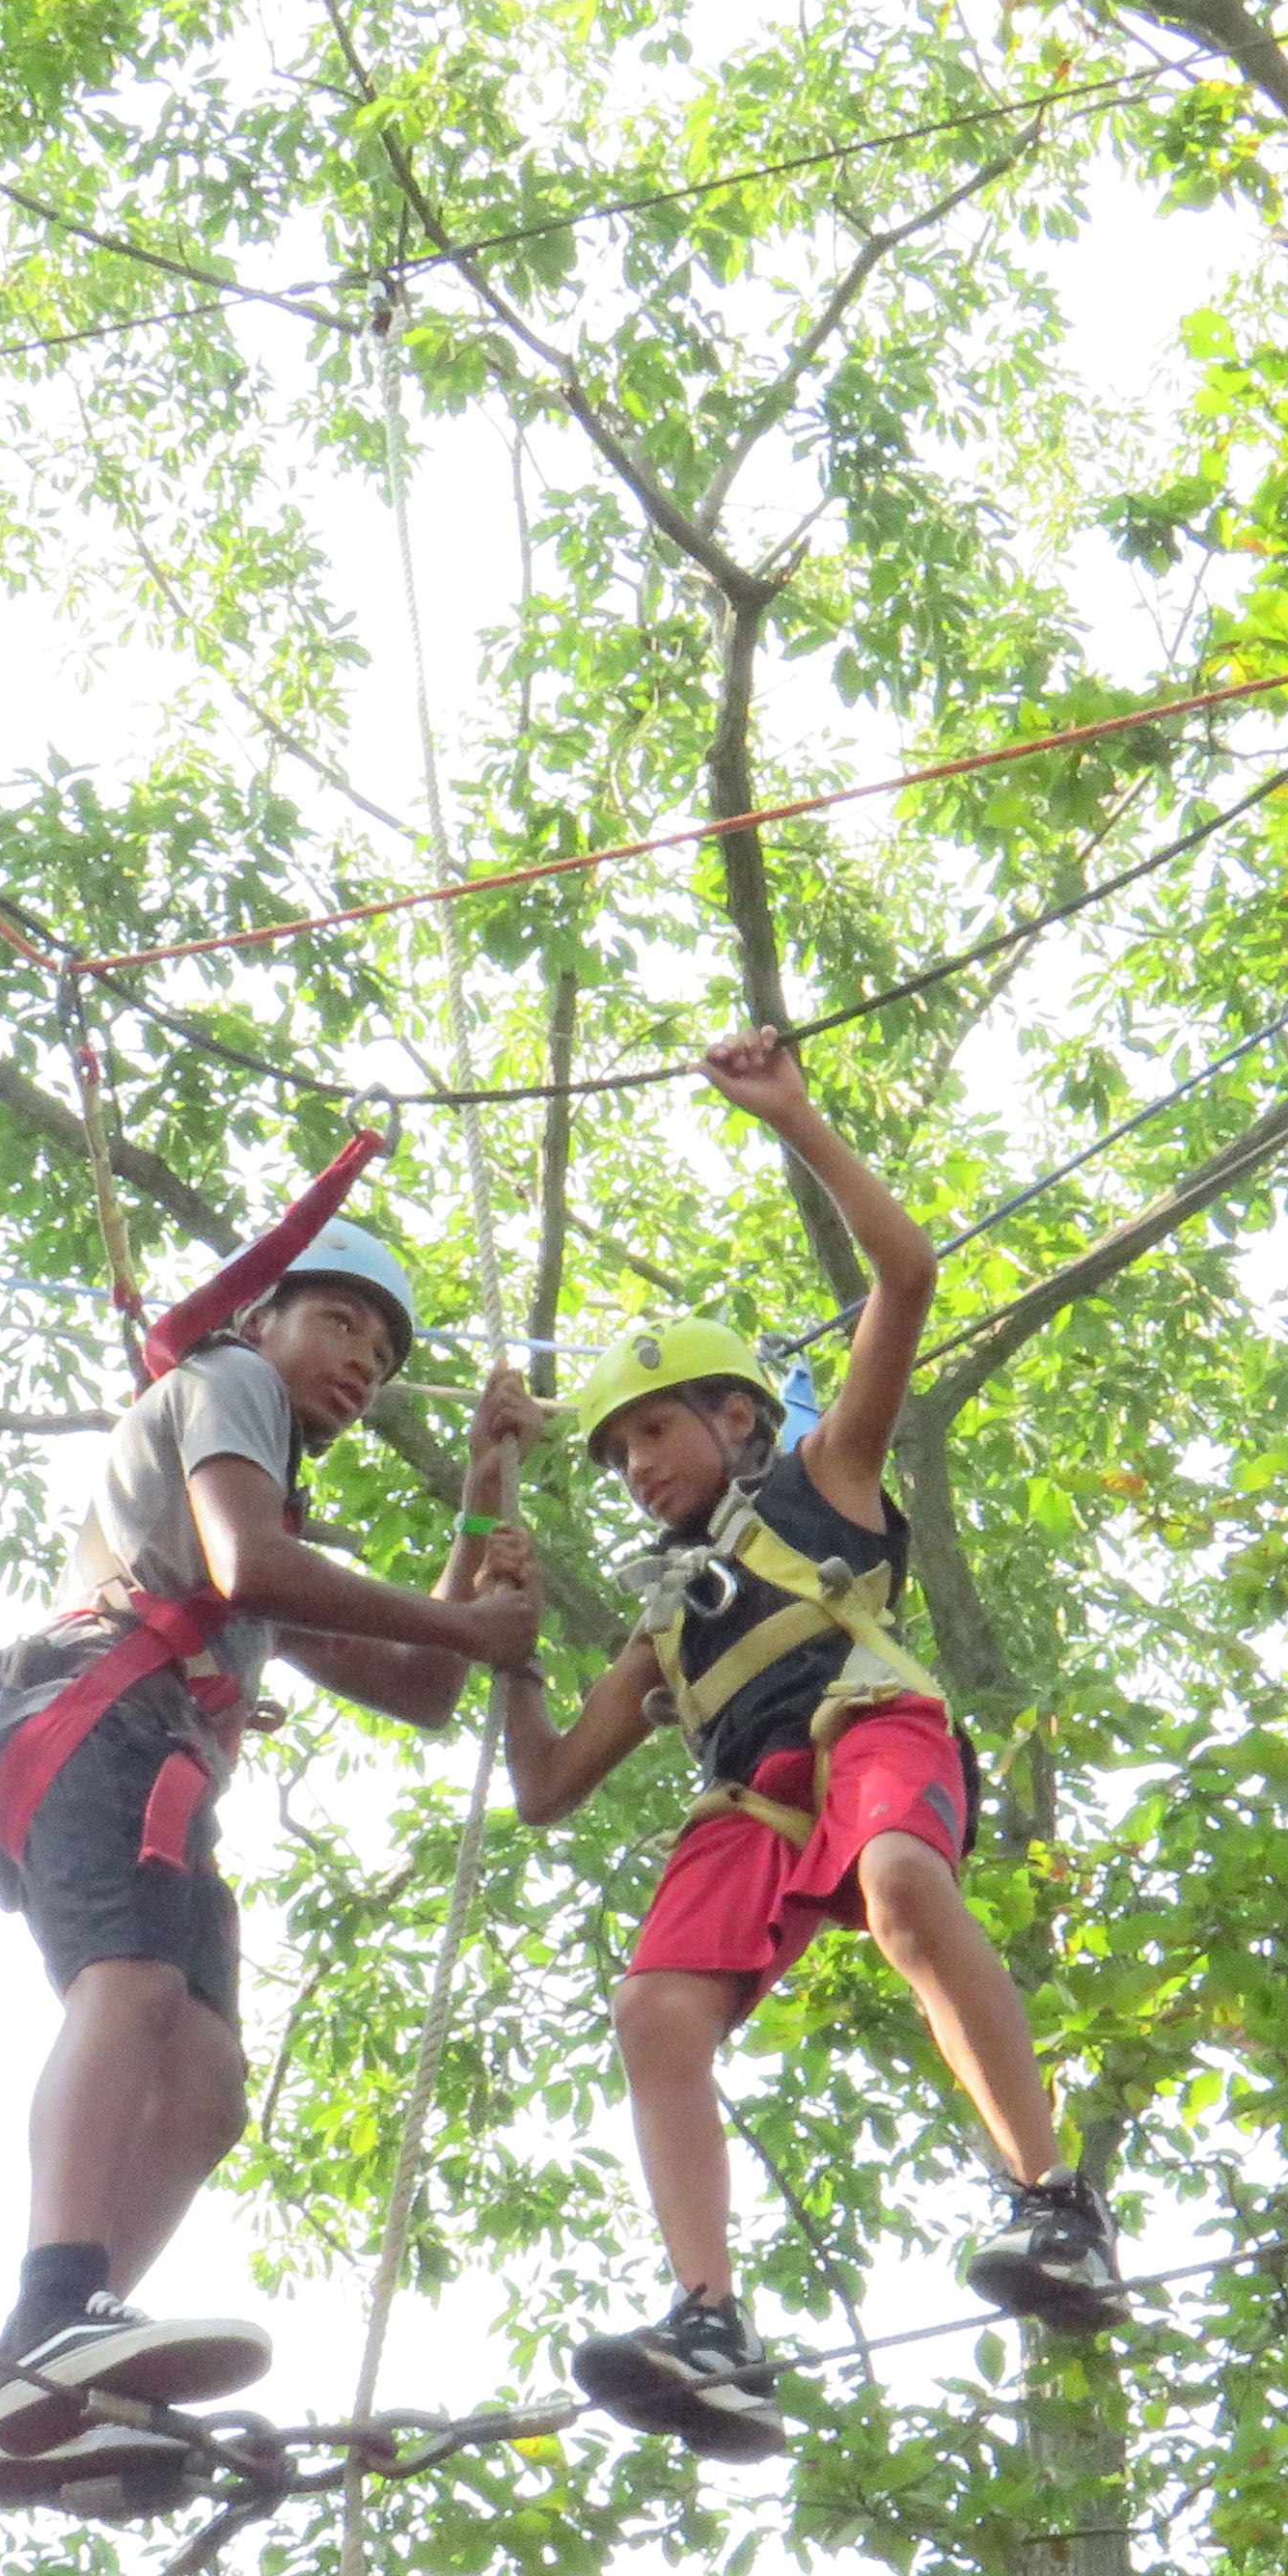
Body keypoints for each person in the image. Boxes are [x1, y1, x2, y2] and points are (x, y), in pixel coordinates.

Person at [467, 1030, 1122, 2456]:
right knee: (654, 2013)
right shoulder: (667, 1618)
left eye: (656, 1431)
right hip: (749, 1808)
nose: (637, 1466)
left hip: (866, 1727)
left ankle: (1052, 2201)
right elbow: (546, 1787)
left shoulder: (829, 1476)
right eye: (619, 1450)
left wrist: (795, 1120)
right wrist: (508, 1640)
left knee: (898, 1881)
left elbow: (907, 1279)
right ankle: (708, 2320)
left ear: (740, 1414)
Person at [0, 1214, 540, 2516]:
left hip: (155, 1770)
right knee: (133, 1991)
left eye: (381, 1350)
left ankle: (26, 2393)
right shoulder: (227, 1387)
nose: (362, 1360)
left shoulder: (261, 1507)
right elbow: (257, 1566)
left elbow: (421, 1686)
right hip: (93, 1727)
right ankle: (57, 2313)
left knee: (202, 2089)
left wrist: (486, 1488)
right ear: (267, 1322)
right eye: (341, 1324)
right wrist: (468, 1623)